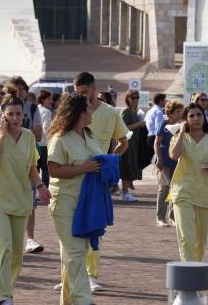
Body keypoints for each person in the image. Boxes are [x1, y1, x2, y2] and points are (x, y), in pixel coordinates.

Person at [0, 90, 50, 305]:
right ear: (3, 115)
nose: (15, 118)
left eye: (19, 114)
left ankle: (7, 292)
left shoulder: (28, 137)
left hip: (20, 200)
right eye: (11, 114)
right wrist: (1, 136)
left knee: (17, 255)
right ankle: (3, 298)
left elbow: (31, 167)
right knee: (3, 247)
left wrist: (40, 185)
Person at [68, 71, 128, 292]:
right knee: (69, 227)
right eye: (77, 92)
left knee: (93, 227)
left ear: (95, 89)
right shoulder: (70, 110)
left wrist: (112, 160)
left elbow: (124, 141)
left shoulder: (110, 113)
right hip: (72, 176)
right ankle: (68, 274)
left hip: (96, 180)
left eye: (85, 92)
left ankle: (91, 275)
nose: (82, 96)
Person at [47, 92, 102, 305]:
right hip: (65, 202)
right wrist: (83, 168)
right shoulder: (60, 139)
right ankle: (84, 300)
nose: (91, 111)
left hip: (87, 202)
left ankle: (68, 301)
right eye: (88, 108)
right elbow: (53, 169)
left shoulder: (90, 135)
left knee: (74, 252)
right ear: (80, 113)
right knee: (76, 250)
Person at [169, 103, 208, 261]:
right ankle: (186, 276)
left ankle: (195, 272)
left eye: (199, 115)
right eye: (191, 116)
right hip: (182, 192)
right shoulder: (179, 138)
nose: (196, 118)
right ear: (186, 120)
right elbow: (174, 156)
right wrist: (181, 132)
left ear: (204, 117)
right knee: (186, 237)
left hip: (204, 194)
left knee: (200, 240)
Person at [1, 76, 45, 254]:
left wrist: (23, 131)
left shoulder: (32, 108)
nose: (19, 92)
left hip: (26, 153)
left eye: (22, 89)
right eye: (15, 89)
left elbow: (38, 134)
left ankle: (30, 238)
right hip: (5, 158)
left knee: (29, 198)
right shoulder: (4, 108)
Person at [154, 100, 184, 227]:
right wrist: (159, 159)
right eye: (177, 112)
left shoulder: (183, 125)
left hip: (177, 161)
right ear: (170, 113)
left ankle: (172, 217)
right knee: (164, 188)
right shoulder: (164, 124)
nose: (180, 114)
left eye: (181, 111)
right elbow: (156, 143)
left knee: (176, 189)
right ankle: (160, 217)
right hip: (164, 160)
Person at [119, 90, 145, 201]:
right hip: (126, 144)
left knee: (130, 167)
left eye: (137, 97)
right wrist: (140, 124)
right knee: (126, 168)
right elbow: (124, 127)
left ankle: (125, 191)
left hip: (133, 145)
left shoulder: (134, 111)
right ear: (128, 98)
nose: (135, 99)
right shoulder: (126, 111)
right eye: (133, 97)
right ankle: (124, 192)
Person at [37, 89, 54, 187]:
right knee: (45, 169)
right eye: (49, 99)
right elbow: (46, 129)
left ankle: (33, 194)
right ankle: (45, 190)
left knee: (34, 169)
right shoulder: (47, 112)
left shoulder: (36, 108)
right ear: (43, 100)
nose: (51, 101)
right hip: (43, 145)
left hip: (35, 144)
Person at [145, 93, 167, 166]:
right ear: (161, 101)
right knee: (158, 160)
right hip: (155, 137)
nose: (166, 101)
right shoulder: (159, 112)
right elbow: (159, 127)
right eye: (164, 100)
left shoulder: (150, 110)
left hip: (149, 136)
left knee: (151, 160)